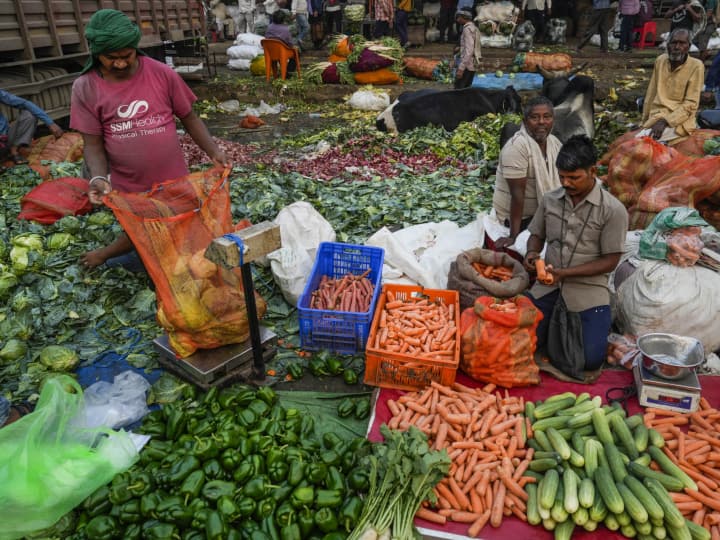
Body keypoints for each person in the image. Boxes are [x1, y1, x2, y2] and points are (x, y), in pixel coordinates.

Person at [70, 9, 228, 271]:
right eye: (111, 58)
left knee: (186, 249)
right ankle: (119, 256)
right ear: (96, 53)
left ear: (135, 48)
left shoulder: (161, 73)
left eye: (126, 56)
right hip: (131, 188)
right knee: (147, 242)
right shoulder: (85, 87)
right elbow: (93, 146)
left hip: (175, 181)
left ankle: (116, 255)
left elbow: (189, 117)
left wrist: (214, 150)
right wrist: (98, 178)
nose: (120, 63)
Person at [524, 135, 628, 372]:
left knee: (588, 360)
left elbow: (610, 261)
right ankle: (553, 334)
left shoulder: (613, 210)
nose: (566, 183)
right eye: (562, 177)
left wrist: (565, 274)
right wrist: (532, 253)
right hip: (547, 285)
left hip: (588, 289)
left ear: (593, 171)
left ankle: (584, 328)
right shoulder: (550, 200)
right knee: (517, 342)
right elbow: (536, 234)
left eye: (574, 177)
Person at [492, 97, 562, 251]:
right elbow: (517, 195)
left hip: (541, 211)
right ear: (525, 120)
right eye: (535, 117)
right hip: (521, 218)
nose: (541, 122)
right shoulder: (516, 148)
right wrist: (513, 237)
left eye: (547, 117)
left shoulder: (554, 143)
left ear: (553, 119)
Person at [639, 27, 704, 143]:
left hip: (679, 119)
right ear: (668, 45)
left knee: (643, 142)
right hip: (656, 115)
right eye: (674, 43)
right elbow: (651, 93)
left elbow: (691, 104)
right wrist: (643, 122)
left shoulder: (696, 66)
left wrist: (666, 121)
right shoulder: (660, 60)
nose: (677, 47)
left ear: (688, 46)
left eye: (682, 43)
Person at [0, 89, 64, 168]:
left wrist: (50, 123)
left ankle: (13, 151)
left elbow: (25, 103)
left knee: (29, 114)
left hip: (4, 139)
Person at [454, 9, 481, 89]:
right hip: (473, 64)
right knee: (466, 89)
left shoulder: (467, 29)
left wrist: (461, 68)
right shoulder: (474, 28)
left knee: (459, 90)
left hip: (467, 65)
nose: (457, 19)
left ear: (464, 18)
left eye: (459, 17)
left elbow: (469, 50)